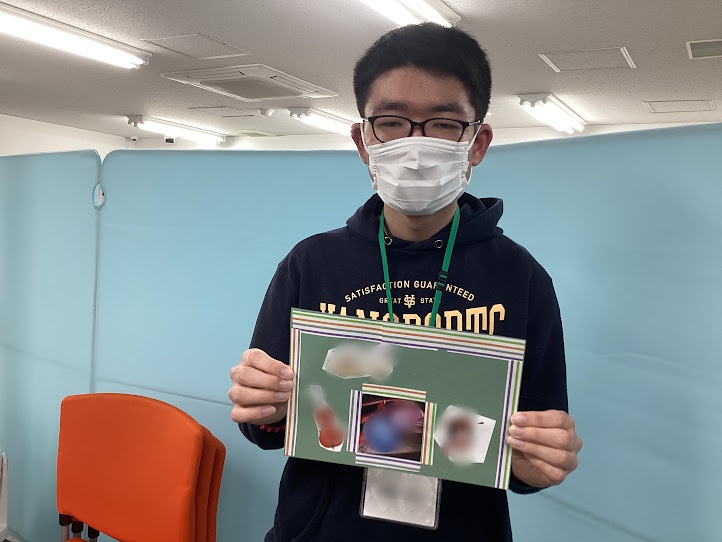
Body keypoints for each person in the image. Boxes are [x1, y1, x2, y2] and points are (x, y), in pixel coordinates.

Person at [229, 22, 582, 541]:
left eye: (443, 123)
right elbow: (263, 426)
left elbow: (528, 449)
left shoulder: (522, 278)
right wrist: (263, 404)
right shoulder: (311, 263)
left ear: (477, 142)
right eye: (391, 122)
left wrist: (540, 461)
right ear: (363, 140)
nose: (416, 145)